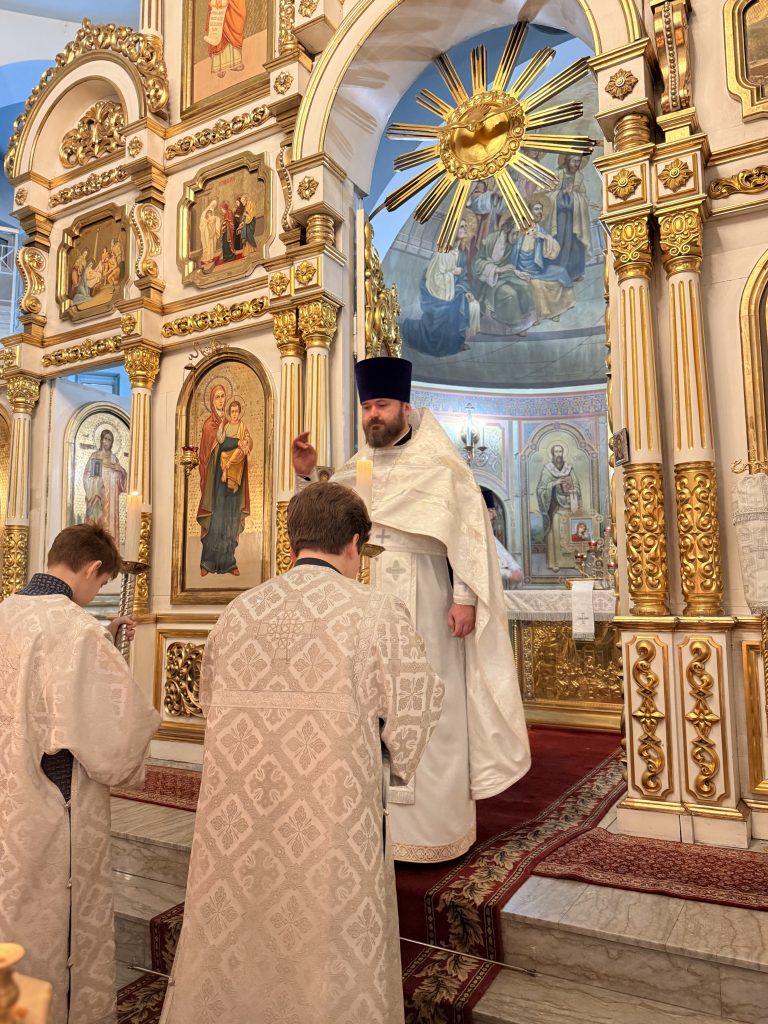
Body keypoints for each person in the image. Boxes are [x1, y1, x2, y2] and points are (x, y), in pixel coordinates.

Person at [159, 483, 443, 1024]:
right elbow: (416, 711)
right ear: (355, 544)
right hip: (329, 825)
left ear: (293, 542)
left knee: (237, 936)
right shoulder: (375, 613)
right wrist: (387, 760)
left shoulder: (238, 612)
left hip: (239, 827)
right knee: (324, 946)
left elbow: (208, 705)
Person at [293, 358, 530, 862]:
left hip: (428, 599)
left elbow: (468, 534)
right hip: (365, 595)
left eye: (381, 405)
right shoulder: (358, 466)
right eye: (366, 408)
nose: (372, 416)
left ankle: (433, 831)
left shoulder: (441, 464)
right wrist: (309, 474)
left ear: (405, 406)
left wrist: (465, 598)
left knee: (432, 704)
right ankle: (371, 826)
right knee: (369, 705)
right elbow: (326, 516)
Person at [0, 524, 159, 1024]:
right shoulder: (76, 629)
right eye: (102, 582)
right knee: (49, 926)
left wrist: (103, 640)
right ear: (92, 568)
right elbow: (113, 742)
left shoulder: (6, 611)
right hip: (51, 808)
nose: (97, 592)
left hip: (8, 799)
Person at [401, 219, 480, 357]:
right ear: (453, 231)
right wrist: (451, 274)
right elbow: (433, 279)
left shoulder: (461, 255)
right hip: (434, 295)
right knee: (450, 308)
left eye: (466, 226)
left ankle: (455, 342)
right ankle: (433, 340)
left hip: (452, 292)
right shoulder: (442, 253)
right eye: (462, 227)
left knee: (468, 303)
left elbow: (463, 278)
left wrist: (466, 291)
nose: (465, 229)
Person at [197, 386, 249, 576]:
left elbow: (245, 441)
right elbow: (208, 453)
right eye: (217, 397)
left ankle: (229, 562)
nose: (220, 400)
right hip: (216, 480)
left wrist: (244, 446)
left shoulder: (231, 422)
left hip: (233, 478)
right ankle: (207, 562)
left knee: (230, 517)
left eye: (222, 397)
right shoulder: (209, 425)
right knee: (217, 517)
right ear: (212, 401)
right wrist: (235, 443)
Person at [509, 200, 575, 323]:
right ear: (529, 212)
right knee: (537, 285)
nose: (539, 211)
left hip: (538, 270)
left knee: (561, 272)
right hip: (521, 271)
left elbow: (554, 249)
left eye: (540, 209)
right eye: (536, 209)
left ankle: (559, 308)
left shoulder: (539, 229)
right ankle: (542, 315)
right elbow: (510, 243)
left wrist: (544, 237)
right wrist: (515, 232)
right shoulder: (519, 229)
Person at [472, 219, 537, 334]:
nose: (517, 237)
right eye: (515, 233)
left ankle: (526, 320)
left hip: (505, 275)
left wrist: (518, 273)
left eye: (519, 233)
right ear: (507, 230)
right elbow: (476, 263)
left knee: (525, 287)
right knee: (510, 294)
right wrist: (496, 269)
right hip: (489, 279)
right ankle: (514, 325)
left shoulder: (511, 243)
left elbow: (508, 265)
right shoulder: (489, 241)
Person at [545, 154, 591, 282]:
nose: (577, 164)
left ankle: (574, 272)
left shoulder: (579, 177)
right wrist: (562, 194)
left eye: (579, 161)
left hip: (574, 217)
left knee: (575, 243)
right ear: (567, 160)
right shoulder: (557, 174)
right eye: (574, 161)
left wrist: (574, 196)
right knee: (560, 241)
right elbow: (546, 194)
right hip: (558, 217)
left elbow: (583, 197)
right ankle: (557, 271)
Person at [536, 443, 582, 572]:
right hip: (555, 508)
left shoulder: (569, 469)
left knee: (570, 532)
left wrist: (573, 490)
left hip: (568, 506)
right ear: (552, 453)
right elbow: (541, 490)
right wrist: (554, 483)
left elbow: (577, 486)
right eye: (556, 451)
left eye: (560, 451)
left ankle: (572, 561)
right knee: (555, 531)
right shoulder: (547, 469)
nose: (558, 454)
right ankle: (554, 562)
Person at [83, 427, 128, 541]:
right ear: (101, 440)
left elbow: (122, 483)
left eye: (110, 440)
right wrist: (96, 482)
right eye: (105, 439)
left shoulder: (114, 458)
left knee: (110, 528)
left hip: (112, 500)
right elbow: (87, 476)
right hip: (98, 497)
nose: (107, 442)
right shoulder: (95, 456)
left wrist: (121, 470)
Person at [481, 487, 524, 588]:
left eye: (494, 510)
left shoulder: (490, 536)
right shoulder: (476, 537)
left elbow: (504, 554)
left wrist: (515, 568)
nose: (494, 515)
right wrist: (509, 574)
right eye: (490, 511)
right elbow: (483, 568)